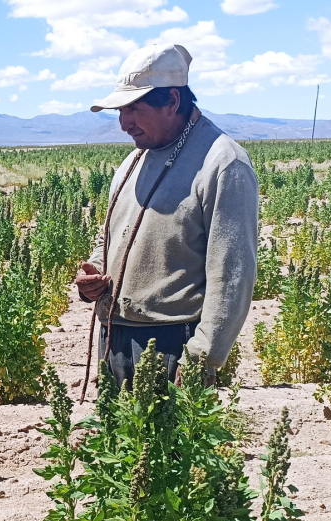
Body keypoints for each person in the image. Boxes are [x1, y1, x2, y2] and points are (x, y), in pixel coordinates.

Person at [76, 43, 258, 390]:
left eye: (134, 109)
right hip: (115, 334)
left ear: (172, 100)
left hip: (175, 343)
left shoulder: (222, 163)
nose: (124, 124)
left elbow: (232, 274)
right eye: (120, 111)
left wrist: (202, 356)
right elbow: (111, 235)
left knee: (170, 429)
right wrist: (93, 273)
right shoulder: (134, 160)